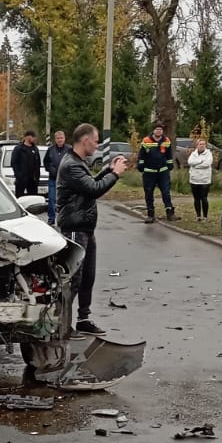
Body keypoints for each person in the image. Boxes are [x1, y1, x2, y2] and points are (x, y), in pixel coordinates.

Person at [57, 123, 128, 334]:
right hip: (74, 227)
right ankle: (62, 322)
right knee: (74, 279)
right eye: (96, 141)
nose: (97, 145)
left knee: (88, 276)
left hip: (85, 227)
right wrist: (114, 174)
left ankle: (83, 319)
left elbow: (89, 184)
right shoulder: (70, 164)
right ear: (85, 140)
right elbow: (94, 189)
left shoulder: (78, 162)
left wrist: (107, 169)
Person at [137, 121, 175, 223]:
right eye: (157, 129)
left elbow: (169, 155)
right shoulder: (146, 141)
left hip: (163, 172)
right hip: (149, 172)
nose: (159, 131)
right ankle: (150, 214)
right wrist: (140, 164)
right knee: (149, 193)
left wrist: (170, 164)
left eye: (161, 129)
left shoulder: (166, 140)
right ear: (153, 130)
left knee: (166, 192)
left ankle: (170, 213)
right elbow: (141, 155)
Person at [44, 129, 69, 223]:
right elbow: (46, 162)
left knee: (65, 200)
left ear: (64, 138)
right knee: (51, 199)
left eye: (61, 138)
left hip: (65, 180)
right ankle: (51, 218)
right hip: (53, 179)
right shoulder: (50, 150)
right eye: (58, 138)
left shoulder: (69, 150)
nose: (60, 140)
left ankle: (64, 218)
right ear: (55, 139)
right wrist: (50, 169)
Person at [186, 135, 213, 219]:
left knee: (204, 198)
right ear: (197, 145)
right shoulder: (193, 154)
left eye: (203, 144)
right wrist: (200, 161)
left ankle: (205, 216)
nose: (202, 145)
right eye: (200, 144)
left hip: (205, 180)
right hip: (194, 179)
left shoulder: (208, 154)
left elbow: (207, 164)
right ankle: (198, 215)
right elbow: (190, 162)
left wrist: (196, 164)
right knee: (196, 198)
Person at [10, 130, 41, 198]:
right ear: (28, 137)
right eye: (33, 137)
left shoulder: (35, 149)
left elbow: (38, 164)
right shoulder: (19, 149)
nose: (34, 139)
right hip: (21, 179)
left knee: (33, 198)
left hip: (32, 180)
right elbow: (14, 163)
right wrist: (19, 175)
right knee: (20, 197)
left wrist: (37, 177)